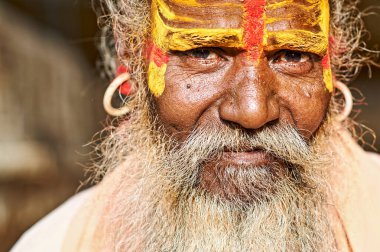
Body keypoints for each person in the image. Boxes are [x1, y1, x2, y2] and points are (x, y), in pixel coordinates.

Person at [13, 0, 380, 251]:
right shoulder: (52, 243)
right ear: (132, 61)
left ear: (336, 62)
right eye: (203, 53)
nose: (252, 111)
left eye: (293, 55)